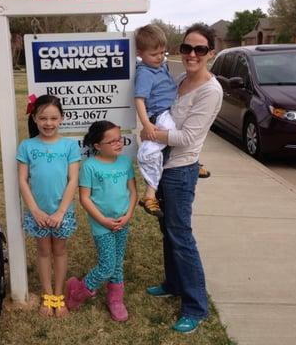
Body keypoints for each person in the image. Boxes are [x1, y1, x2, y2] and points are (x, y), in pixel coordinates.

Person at [142, 23, 223, 333]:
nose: (192, 54)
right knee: (168, 231)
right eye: (187, 48)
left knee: (181, 236)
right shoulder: (178, 80)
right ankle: (173, 283)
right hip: (163, 168)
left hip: (180, 171)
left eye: (199, 49)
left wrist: (152, 132)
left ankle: (195, 306)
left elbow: (188, 137)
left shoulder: (210, 91)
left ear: (210, 54)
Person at [65, 121, 137, 322]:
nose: (118, 143)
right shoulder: (89, 167)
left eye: (119, 138)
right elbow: (85, 198)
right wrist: (103, 221)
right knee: (107, 265)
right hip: (101, 225)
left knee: (117, 263)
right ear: (97, 146)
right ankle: (78, 291)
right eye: (111, 141)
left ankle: (115, 300)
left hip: (122, 222)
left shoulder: (125, 162)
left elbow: (132, 191)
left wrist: (129, 214)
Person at [17, 94, 81, 318]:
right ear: (34, 118)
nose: (48, 123)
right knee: (44, 252)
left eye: (54, 118)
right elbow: (23, 180)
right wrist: (35, 210)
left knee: (60, 251)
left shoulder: (70, 146)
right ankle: (47, 295)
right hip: (38, 214)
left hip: (62, 213)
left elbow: (72, 180)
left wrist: (61, 212)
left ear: (62, 119)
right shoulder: (26, 146)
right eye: (43, 118)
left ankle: (59, 294)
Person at [133, 24, 178, 218]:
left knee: (180, 136)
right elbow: (139, 100)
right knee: (149, 153)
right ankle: (149, 195)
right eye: (154, 54)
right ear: (140, 53)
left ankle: (193, 161)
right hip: (159, 115)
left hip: (171, 110)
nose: (160, 57)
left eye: (162, 52)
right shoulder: (145, 73)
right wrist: (146, 124)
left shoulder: (162, 66)